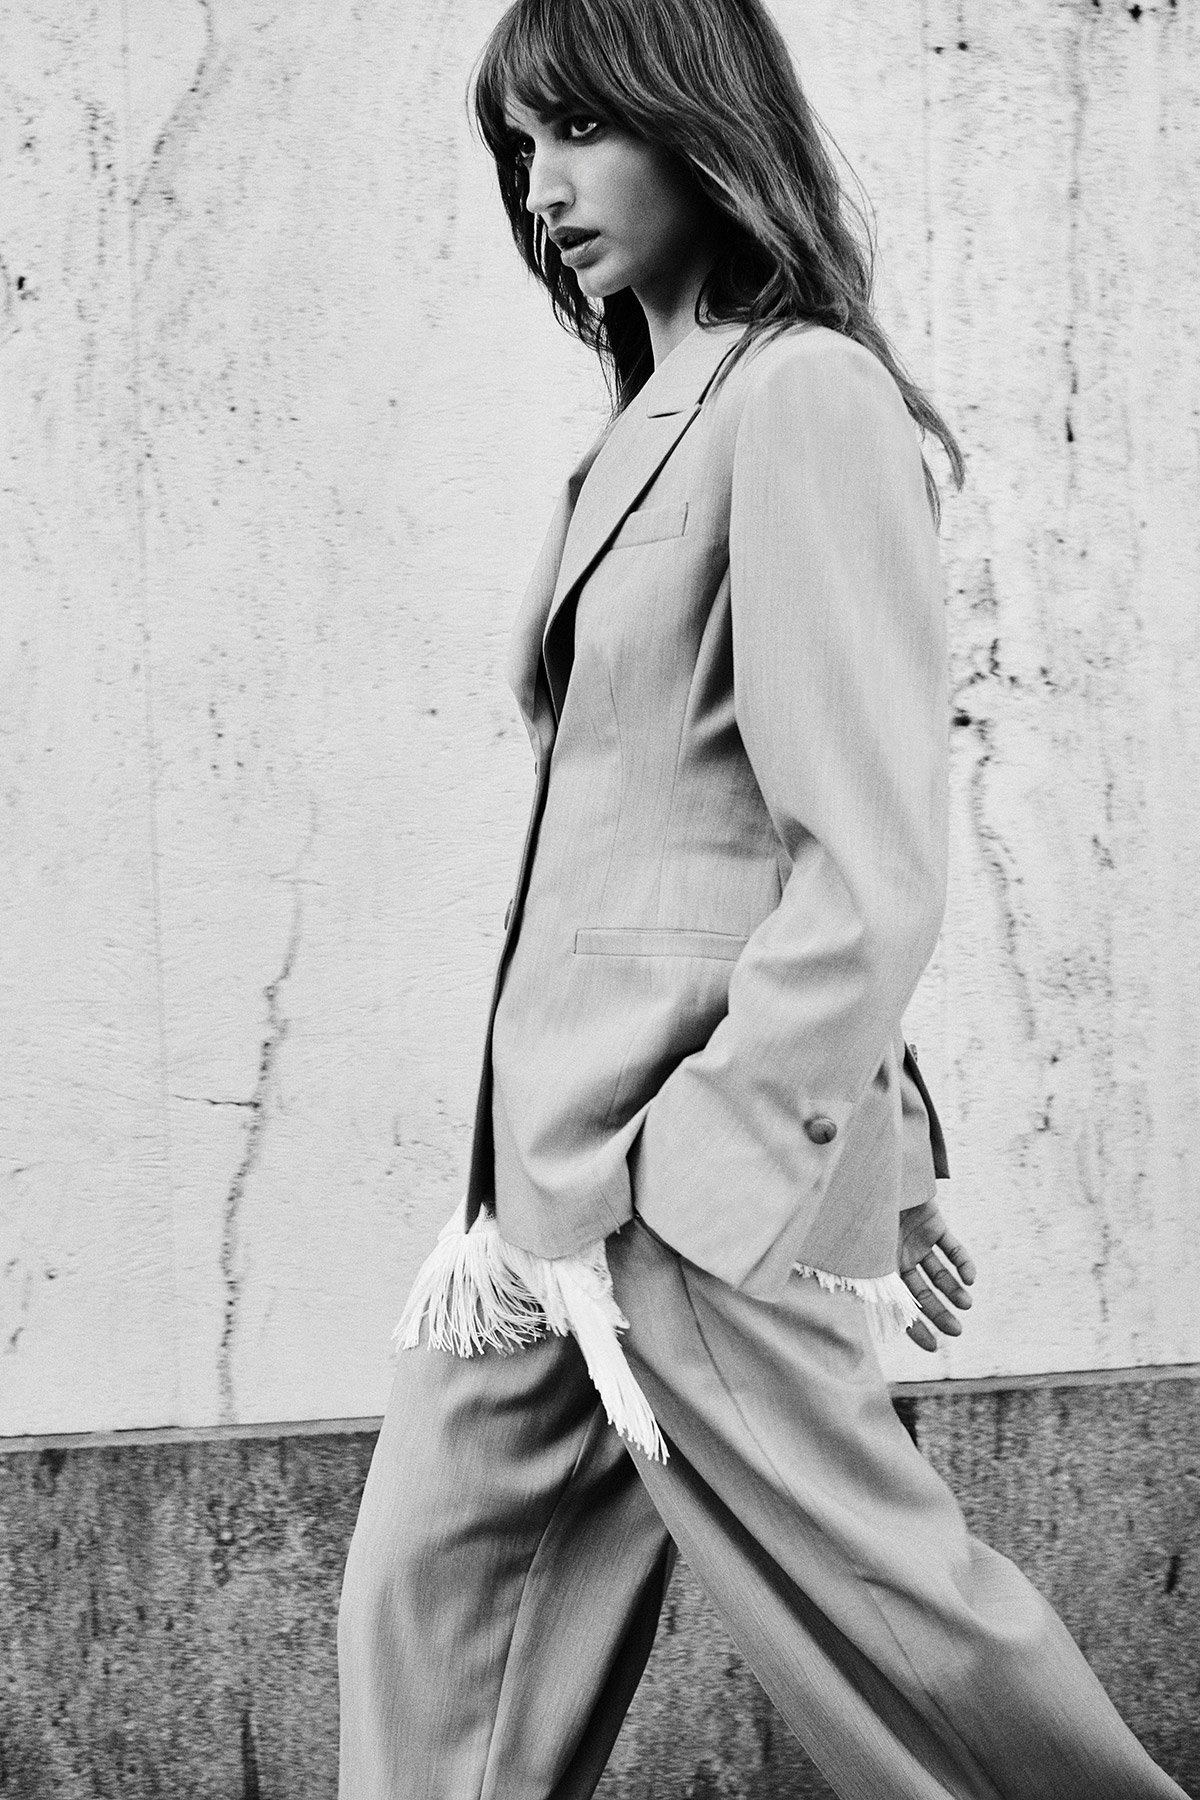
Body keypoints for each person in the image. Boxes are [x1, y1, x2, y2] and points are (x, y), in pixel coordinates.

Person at [337, 1, 1190, 1794]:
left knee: (914, 1649)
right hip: (536, 1204)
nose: (543, 182)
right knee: (432, 1616)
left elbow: (862, 852)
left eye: (581, 129)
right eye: (519, 145)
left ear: (692, 119)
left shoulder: (803, 393)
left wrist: (745, 1164)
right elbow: (693, 832)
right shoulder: (646, 418)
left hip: (673, 1177)